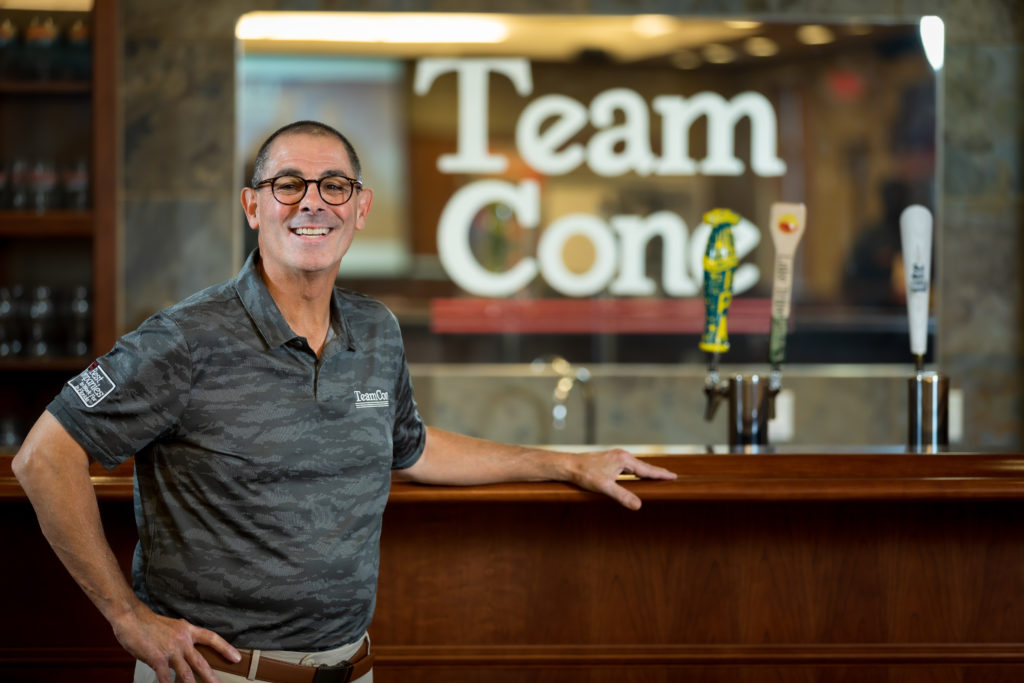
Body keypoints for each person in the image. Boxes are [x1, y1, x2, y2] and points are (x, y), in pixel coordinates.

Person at [12, 120, 677, 683]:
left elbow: (410, 447)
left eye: (334, 186)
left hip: (351, 667)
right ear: (253, 205)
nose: (312, 203)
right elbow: (44, 455)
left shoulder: (376, 331)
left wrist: (566, 465)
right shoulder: (184, 339)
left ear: (360, 208)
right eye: (287, 185)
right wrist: (127, 616)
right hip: (218, 673)